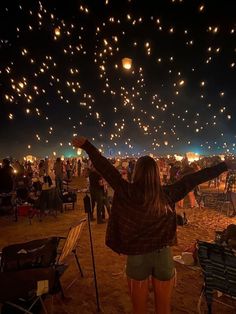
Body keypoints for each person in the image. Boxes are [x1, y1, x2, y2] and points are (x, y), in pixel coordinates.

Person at [72, 136, 235, 314]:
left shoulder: (127, 191)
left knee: (139, 310)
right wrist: (223, 166)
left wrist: (87, 146)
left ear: (136, 173)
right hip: (163, 255)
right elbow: (194, 179)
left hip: (137, 256)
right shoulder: (167, 194)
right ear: (156, 174)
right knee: (163, 309)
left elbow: (106, 168)